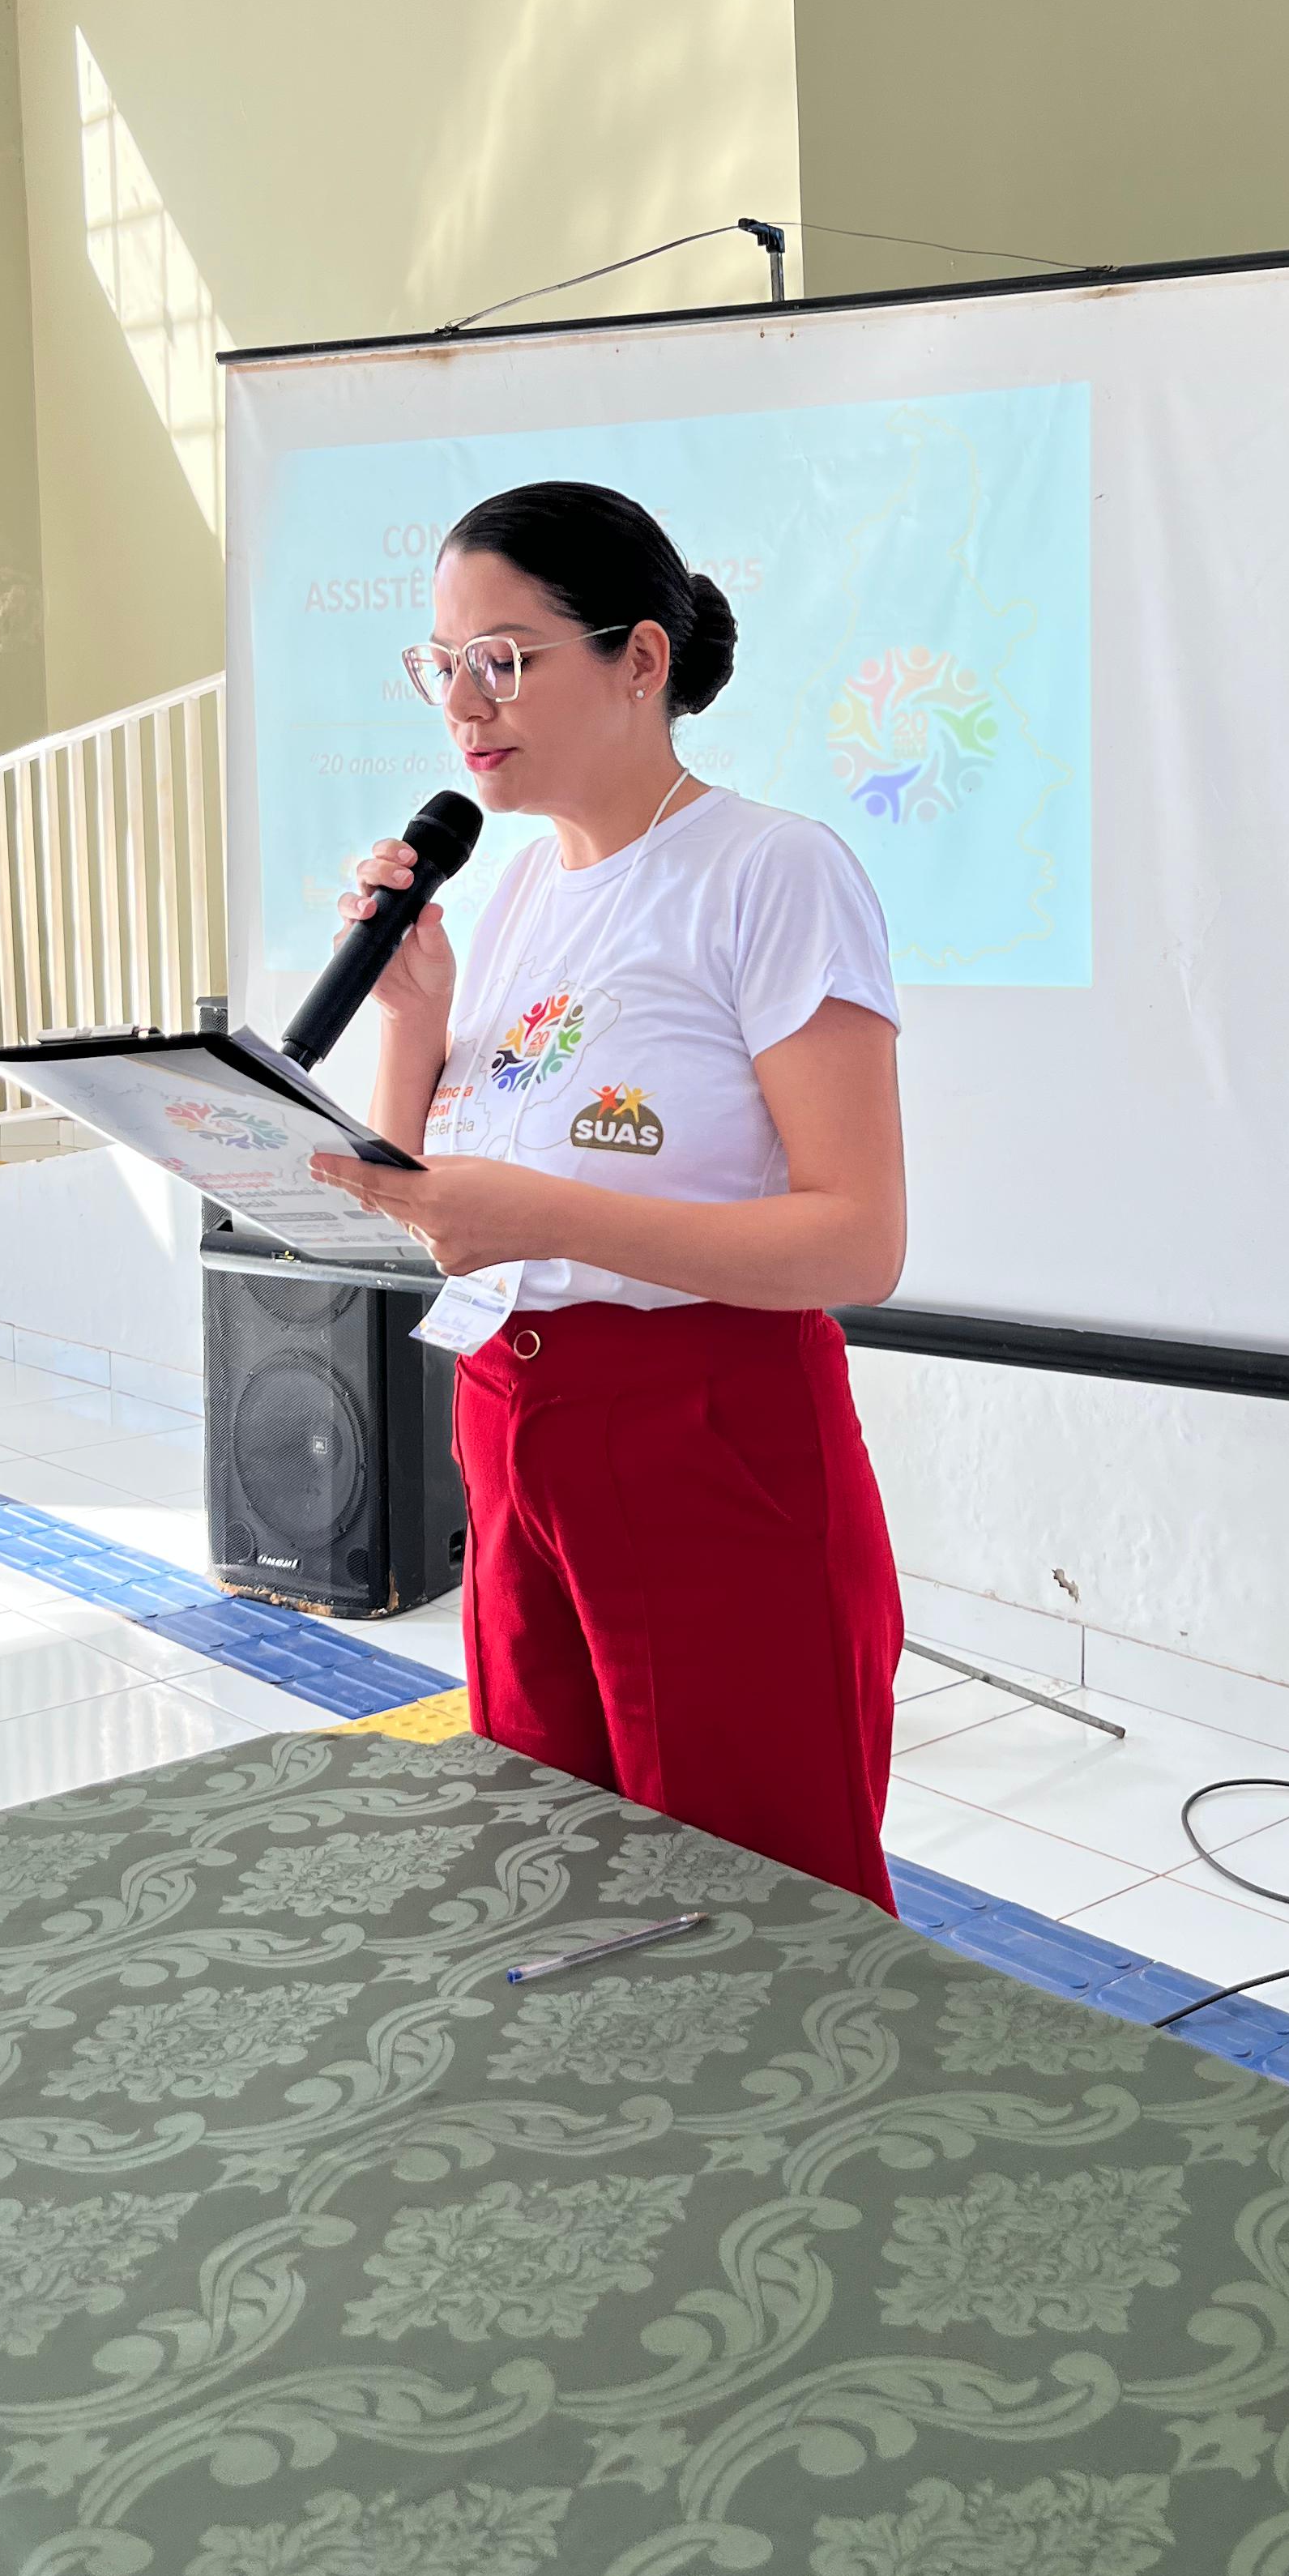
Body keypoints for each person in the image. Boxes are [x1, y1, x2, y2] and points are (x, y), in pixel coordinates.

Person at [309, 480, 907, 1910]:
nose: (466, 703)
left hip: (706, 1440)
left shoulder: (769, 871)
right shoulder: (519, 892)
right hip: (514, 1431)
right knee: (554, 1875)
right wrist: (412, 1013)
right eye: (443, 664)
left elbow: (860, 1241)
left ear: (641, 658)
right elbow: (431, 1199)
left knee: (749, 1905)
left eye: (505, 659)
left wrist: (549, 1220)